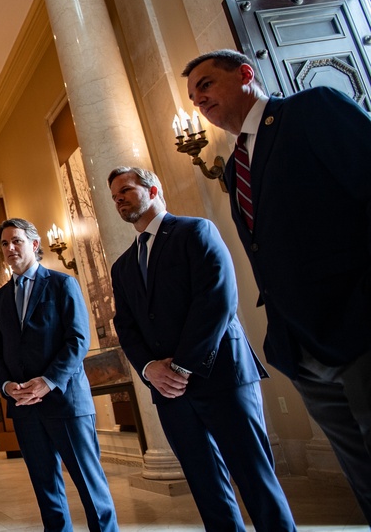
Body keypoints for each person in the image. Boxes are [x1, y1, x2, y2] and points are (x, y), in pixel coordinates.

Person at [184, 49, 371, 522]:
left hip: (359, 325)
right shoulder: (232, 165)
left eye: (206, 84)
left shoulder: (312, 110)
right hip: (302, 347)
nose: (198, 100)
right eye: (192, 95)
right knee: (363, 475)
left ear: (246, 74)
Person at [107, 166, 295, 530]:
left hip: (222, 376)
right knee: (207, 486)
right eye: (115, 196)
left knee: (255, 480)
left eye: (126, 190)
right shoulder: (122, 266)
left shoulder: (195, 231)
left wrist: (183, 366)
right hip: (169, 392)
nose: (119, 199)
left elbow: (217, 300)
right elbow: (126, 326)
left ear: (154, 188)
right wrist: (150, 369)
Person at [0, 219, 118, 532]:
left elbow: (78, 339)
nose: (9, 248)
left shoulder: (61, 284)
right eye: (4, 244)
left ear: (34, 244)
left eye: (16, 241)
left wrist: (48, 381)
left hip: (65, 402)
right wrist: (7, 386)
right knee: (45, 487)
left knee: (89, 483)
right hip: (24, 408)